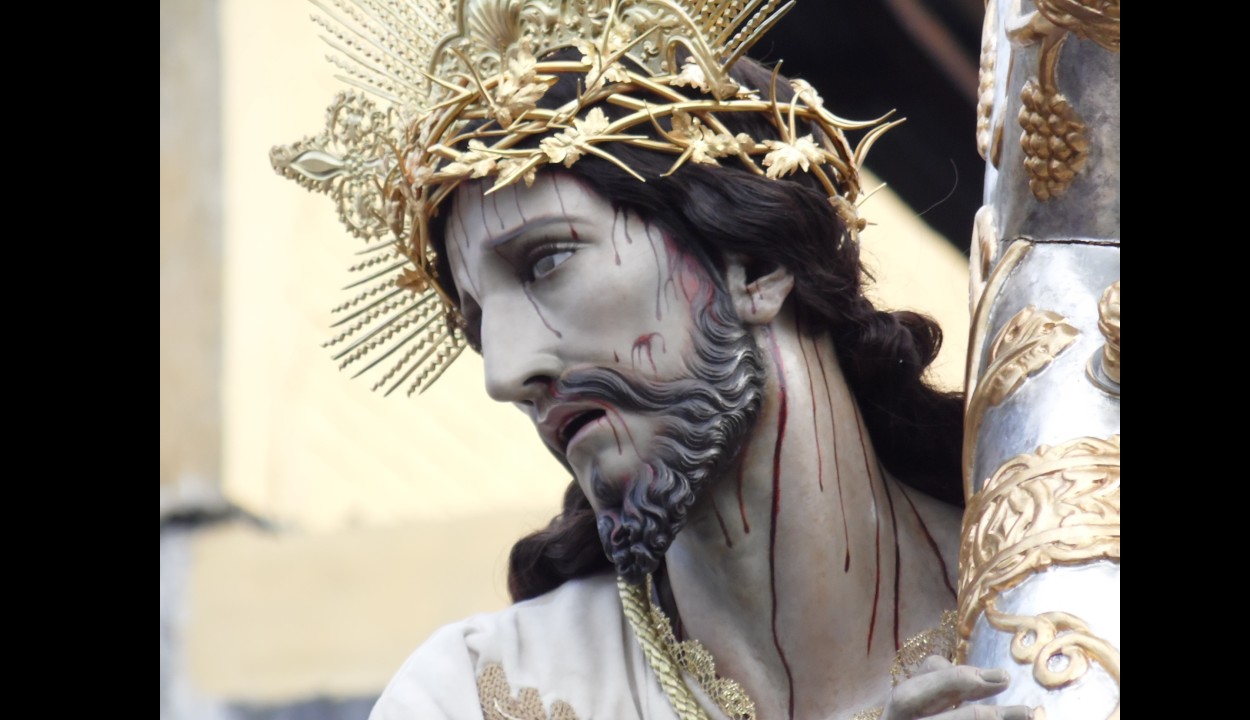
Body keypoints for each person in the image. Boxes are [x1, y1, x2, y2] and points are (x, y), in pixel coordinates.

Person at [273, 3, 1035, 718]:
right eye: (478, 326)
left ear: (754, 264)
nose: (504, 374)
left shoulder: (1067, 582)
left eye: (547, 261)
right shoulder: (470, 693)